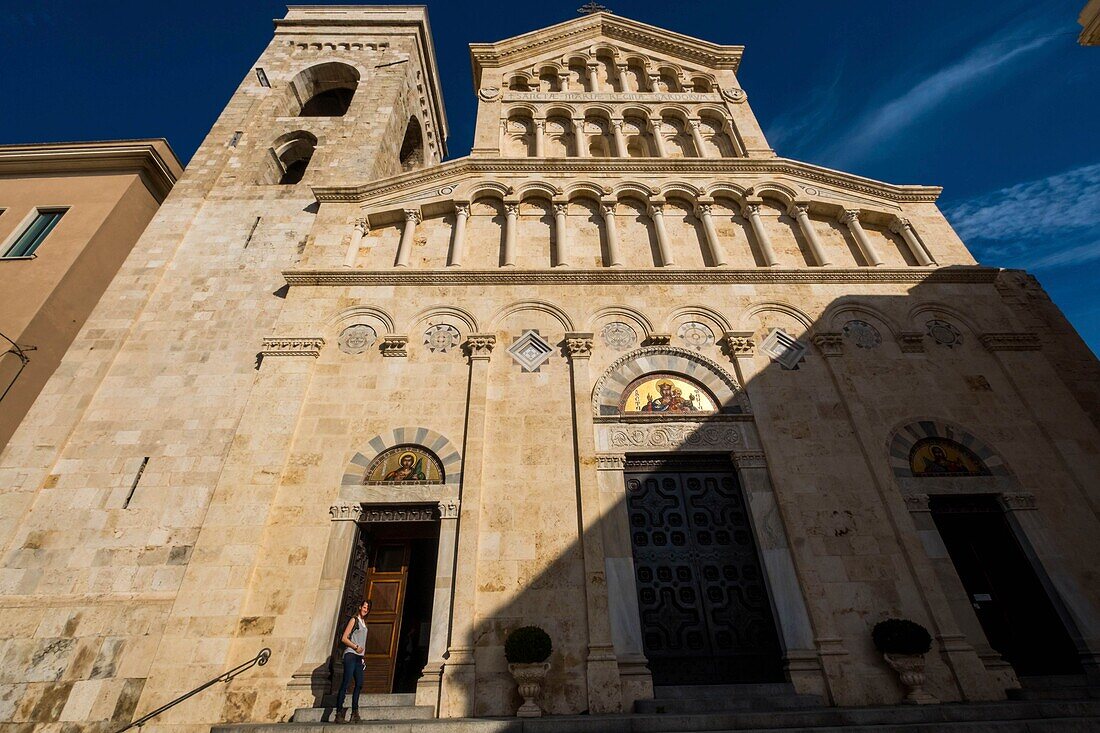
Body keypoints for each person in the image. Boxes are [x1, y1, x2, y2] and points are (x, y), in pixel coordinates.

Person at [334, 599, 370, 724]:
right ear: (360, 607)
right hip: (350, 654)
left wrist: (363, 656)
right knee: (346, 682)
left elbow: (363, 642)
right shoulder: (354, 620)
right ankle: (338, 713)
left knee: (359, 683)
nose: (365, 610)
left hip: (359, 657)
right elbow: (344, 638)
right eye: (364, 607)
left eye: (367, 608)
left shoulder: (364, 623)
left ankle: (354, 712)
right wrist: (355, 647)